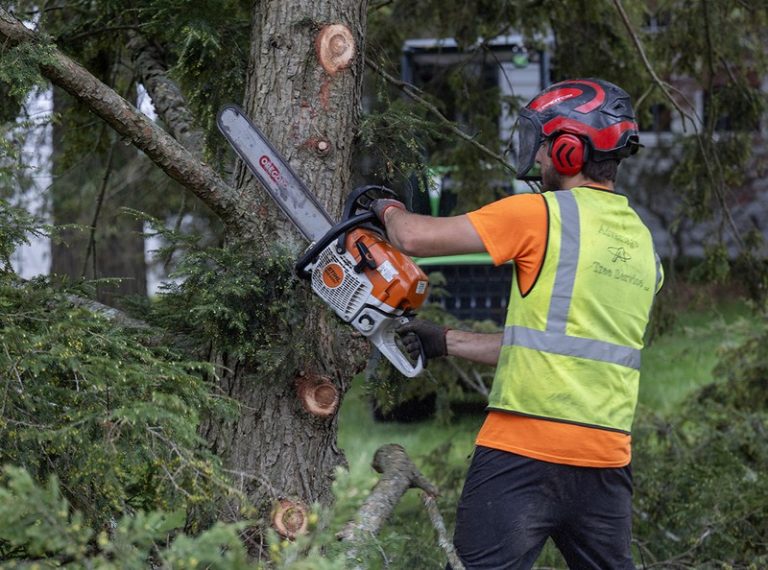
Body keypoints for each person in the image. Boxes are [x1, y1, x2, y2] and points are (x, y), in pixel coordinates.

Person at [370, 78, 663, 569]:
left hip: (521, 457)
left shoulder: (541, 215)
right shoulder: (644, 247)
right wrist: (447, 341)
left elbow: (414, 237)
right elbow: (553, 346)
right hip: (605, 464)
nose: (539, 159)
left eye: (545, 146)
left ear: (569, 150)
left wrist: (383, 205)